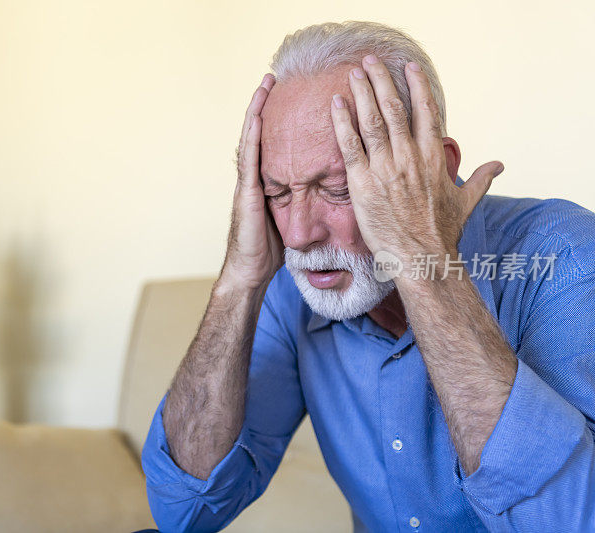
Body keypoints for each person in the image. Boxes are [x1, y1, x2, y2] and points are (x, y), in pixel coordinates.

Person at [141, 20, 595, 532]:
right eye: (277, 193)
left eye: (337, 188)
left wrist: (426, 266)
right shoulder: (293, 286)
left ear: (435, 172)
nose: (297, 234)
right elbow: (182, 511)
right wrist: (239, 280)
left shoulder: (563, 255)